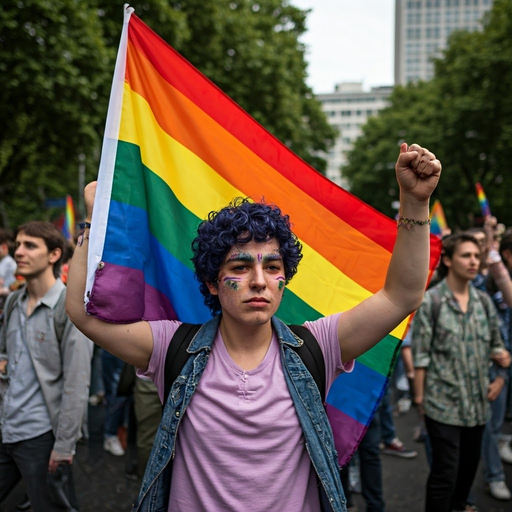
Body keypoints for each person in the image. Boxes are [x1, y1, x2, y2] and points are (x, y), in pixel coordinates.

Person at [66, 143, 441, 512]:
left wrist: (415, 201)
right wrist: (93, 220)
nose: (259, 281)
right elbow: (84, 315)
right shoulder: (171, 348)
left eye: (273, 267)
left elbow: (402, 296)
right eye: (241, 267)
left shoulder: (319, 346)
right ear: (213, 282)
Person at [412, 232, 511, 512]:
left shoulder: (484, 302)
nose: (473, 261)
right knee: (445, 475)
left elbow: (498, 345)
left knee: (467, 474)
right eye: (466, 255)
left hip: (478, 406)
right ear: (447, 260)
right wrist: (419, 400)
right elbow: (421, 355)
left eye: (477, 256)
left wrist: (501, 377)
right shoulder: (431, 302)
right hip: (442, 405)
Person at [0, 221, 93, 512]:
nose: (19, 252)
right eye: (18, 245)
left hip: (40, 437)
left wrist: (64, 445)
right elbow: (5, 353)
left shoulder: (70, 308)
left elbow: (77, 383)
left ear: (54, 255)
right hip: (6, 427)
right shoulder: (13, 301)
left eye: (30, 245)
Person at [0, 228, 17, 311]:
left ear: (4, 247)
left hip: (7, 300)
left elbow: (13, 286)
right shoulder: (5, 262)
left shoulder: (7, 262)